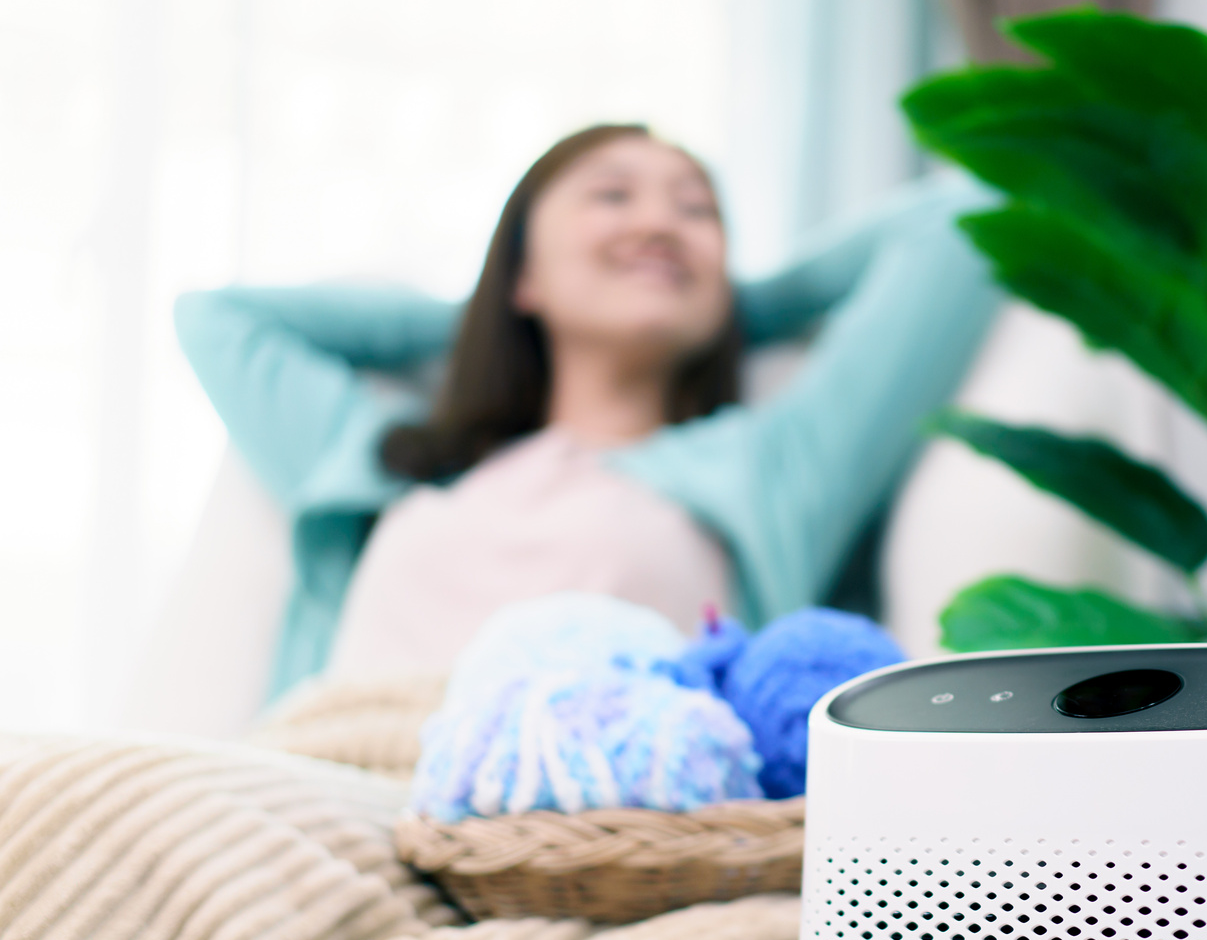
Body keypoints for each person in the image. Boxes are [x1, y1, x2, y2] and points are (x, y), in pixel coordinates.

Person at [175, 125, 1002, 697]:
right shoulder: (390, 457)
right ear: (523, 272)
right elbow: (219, 320)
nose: (658, 223)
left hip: (584, 854)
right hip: (331, 805)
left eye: (696, 213)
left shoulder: (765, 476)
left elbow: (966, 217)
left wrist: (731, 305)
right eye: (613, 197)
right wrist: (491, 312)